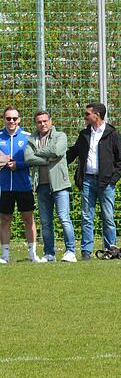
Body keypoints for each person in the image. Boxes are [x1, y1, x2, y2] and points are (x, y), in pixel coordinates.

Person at [66, 102, 121, 260]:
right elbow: (73, 153)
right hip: (88, 180)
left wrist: (112, 180)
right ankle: (86, 251)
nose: (84, 116)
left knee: (108, 216)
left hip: (106, 183)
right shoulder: (84, 134)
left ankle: (110, 249)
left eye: (87, 114)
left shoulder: (112, 134)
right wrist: (56, 159)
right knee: (86, 217)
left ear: (97, 115)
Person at [24, 111, 77, 262]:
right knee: (46, 222)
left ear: (50, 121)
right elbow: (28, 157)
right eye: (39, 122)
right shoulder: (31, 139)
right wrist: (47, 160)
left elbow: (57, 150)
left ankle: (70, 251)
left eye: (45, 121)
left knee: (64, 218)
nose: (43, 124)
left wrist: (38, 153)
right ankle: (49, 254)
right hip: (41, 186)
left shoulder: (61, 136)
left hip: (60, 185)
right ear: (36, 124)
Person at [0, 107, 40, 264]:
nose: (11, 121)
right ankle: (5, 255)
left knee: (28, 219)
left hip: (23, 185)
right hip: (4, 187)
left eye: (14, 118)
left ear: (20, 119)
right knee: (5, 220)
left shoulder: (28, 137)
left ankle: (32, 254)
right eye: (8, 118)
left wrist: (19, 164)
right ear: (4, 119)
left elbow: (34, 159)